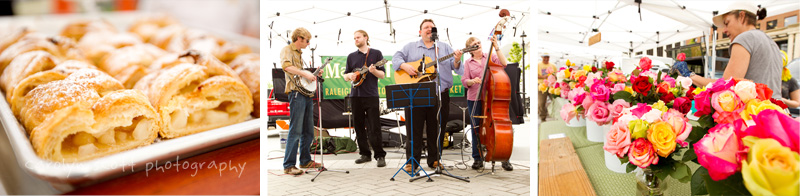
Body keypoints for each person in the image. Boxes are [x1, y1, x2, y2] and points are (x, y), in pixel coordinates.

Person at [393, 19, 463, 172]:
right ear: (420, 32)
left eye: (432, 27)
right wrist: (405, 66)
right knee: (413, 129)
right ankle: (412, 161)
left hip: (440, 94)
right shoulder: (410, 47)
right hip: (415, 94)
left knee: (437, 129)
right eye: (426, 27)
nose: (429, 29)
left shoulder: (444, 47)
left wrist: (457, 59)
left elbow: (456, 68)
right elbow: (395, 59)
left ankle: (435, 160)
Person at [673, 1, 782, 98]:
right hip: (775, 113)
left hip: (755, 114)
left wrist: (689, 75)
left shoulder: (745, 38)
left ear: (742, 16)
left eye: (727, 23)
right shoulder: (771, 43)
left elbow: (726, 85)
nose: (724, 30)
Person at [461, 35, 513, 171]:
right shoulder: (467, 63)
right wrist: (472, 81)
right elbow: (465, 80)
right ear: (470, 49)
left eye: (479, 42)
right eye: (475, 44)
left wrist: (496, 47)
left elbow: (504, 64)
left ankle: (503, 157)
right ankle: (477, 158)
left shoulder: (490, 56)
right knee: (476, 129)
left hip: (491, 97)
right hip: (475, 98)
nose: (478, 45)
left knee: (497, 128)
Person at [280, 27, 322, 175]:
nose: (308, 44)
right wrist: (304, 72)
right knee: (296, 129)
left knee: (308, 130)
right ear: (299, 38)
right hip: (296, 93)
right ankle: (289, 165)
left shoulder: (299, 54)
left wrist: (312, 73)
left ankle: (305, 160)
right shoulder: (287, 50)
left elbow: (301, 75)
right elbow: (286, 66)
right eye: (307, 41)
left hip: (305, 94)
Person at [343, 30, 387, 167]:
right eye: (354, 38)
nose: (356, 40)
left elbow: (382, 75)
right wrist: (350, 76)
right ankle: (365, 154)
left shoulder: (376, 53)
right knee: (359, 126)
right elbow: (345, 76)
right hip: (355, 96)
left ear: (366, 38)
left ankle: (379, 155)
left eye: (358, 37)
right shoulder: (351, 56)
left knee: (374, 126)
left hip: (371, 95)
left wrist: (374, 71)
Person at [537, 53, 556, 122]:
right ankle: (543, 118)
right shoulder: (538, 65)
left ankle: (555, 115)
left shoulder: (553, 65)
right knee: (541, 103)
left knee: (555, 101)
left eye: (547, 57)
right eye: (545, 57)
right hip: (542, 86)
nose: (546, 59)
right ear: (542, 57)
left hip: (551, 86)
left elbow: (556, 74)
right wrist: (543, 77)